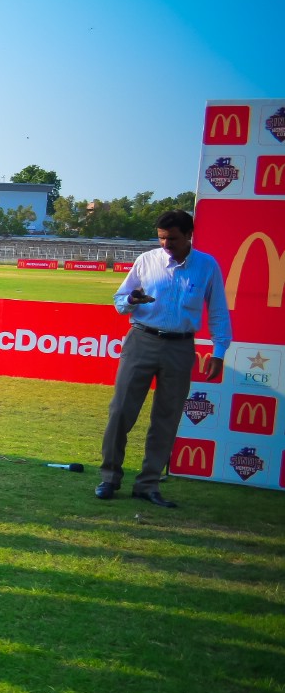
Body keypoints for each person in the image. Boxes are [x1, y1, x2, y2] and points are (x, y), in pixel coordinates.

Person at [96, 209, 231, 508]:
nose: (166, 245)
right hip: (141, 340)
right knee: (120, 411)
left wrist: (219, 351)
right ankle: (109, 477)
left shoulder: (207, 265)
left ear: (189, 235)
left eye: (172, 239)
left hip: (180, 347)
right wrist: (132, 299)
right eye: (161, 238)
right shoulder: (146, 260)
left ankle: (148, 484)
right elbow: (120, 301)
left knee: (166, 418)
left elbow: (219, 311)